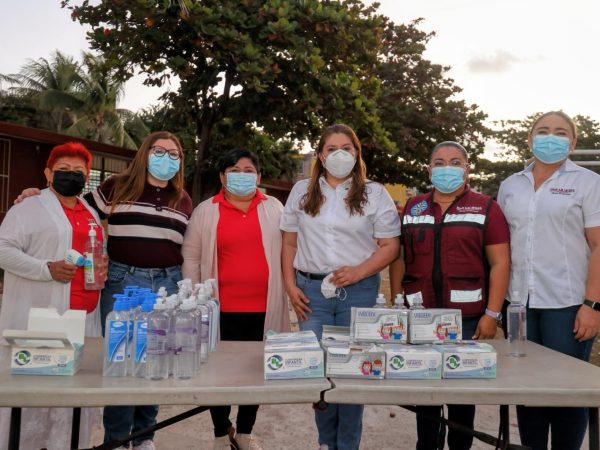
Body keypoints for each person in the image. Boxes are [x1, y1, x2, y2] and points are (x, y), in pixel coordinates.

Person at [15, 131, 193, 450]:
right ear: (144, 153)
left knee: (153, 361)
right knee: (122, 361)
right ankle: (117, 440)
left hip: (167, 285)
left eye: (174, 154)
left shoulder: (183, 199)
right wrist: (37, 194)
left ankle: (144, 437)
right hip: (125, 282)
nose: (166, 158)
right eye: (159, 151)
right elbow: (72, 208)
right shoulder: (117, 186)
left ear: (180, 161)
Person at [281, 124, 401, 450]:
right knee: (318, 371)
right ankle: (325, 442)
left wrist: (359, 271)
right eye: (331, 148)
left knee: (352, 373)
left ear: (356, 153)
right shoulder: (302, 191)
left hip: (358, 293)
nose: (339, 154)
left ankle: (347, 445)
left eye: (346, 148)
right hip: (311, 294)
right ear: (320, 156)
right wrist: (290, 286)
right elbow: (289, 243)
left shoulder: (375, 193)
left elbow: (390, 246)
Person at [389, 141, 510, 450]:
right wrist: (397, 302)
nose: (447, 168)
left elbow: (500, 263)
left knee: (461, 400)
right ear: (429, 170)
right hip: (420, 318)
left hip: (466, 321)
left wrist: (492, 314)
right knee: (426, 398)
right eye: (439, 163)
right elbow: (399, 258)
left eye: (455, 162)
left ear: (467, 169)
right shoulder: (413, 207)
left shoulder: (486, 207)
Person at [497, 111, 600, 450]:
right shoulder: (510, 185)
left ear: (573, 141)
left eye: (560, 132)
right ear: (529, 139)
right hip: (519, 304)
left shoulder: (589, 183)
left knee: (566, 392)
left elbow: (598, 245)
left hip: (567, 303)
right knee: (527, 391)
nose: (550, 137)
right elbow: (501, 247)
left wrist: (593, 304)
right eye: (542, 130)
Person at [182, 148, 291, 450]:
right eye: (234, 170)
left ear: (258, 176)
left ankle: (244, 433)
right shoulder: (206, 210)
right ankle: (221, 432)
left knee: (255, 373)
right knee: (217, 373)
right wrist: (195, 297)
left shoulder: (274, 208)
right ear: (222, 176)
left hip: (264, 308)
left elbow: (289, 249)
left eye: (248, 170)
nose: (241, 176)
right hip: (219, 309)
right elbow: (191, 256)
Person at [0, 142, 105, 450]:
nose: (71, 175)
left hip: (83, 319)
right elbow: (3, 250)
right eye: (63, 169)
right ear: (48, 173)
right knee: (34, 397)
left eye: (78, 171)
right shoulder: (28, 208)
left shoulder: (90, 212)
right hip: (42, 320)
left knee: (72, 400)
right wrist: (45, 268)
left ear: (87, 176)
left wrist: (101, 266)